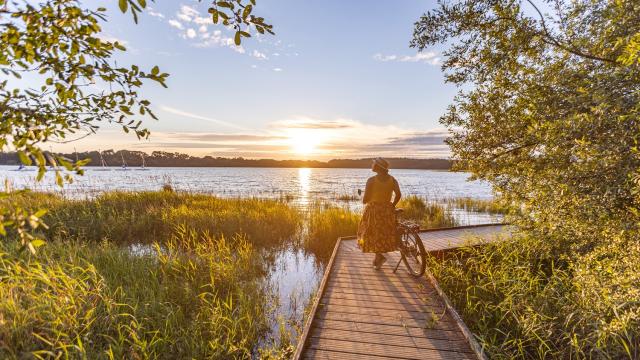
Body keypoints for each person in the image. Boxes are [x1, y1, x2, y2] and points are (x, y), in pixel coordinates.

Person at [357, 157, 401, 269]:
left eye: (373, 164)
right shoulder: (392, 179)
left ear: (377, 167)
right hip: (387, 210)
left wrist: (368, 196)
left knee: (370, 233)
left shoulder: (371, 180)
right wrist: (392, 205)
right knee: (382, 233)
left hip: (374, 210)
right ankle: (378, 257)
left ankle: (379, 257)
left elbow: (365, 200)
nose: (371, 165)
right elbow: (398, 194)